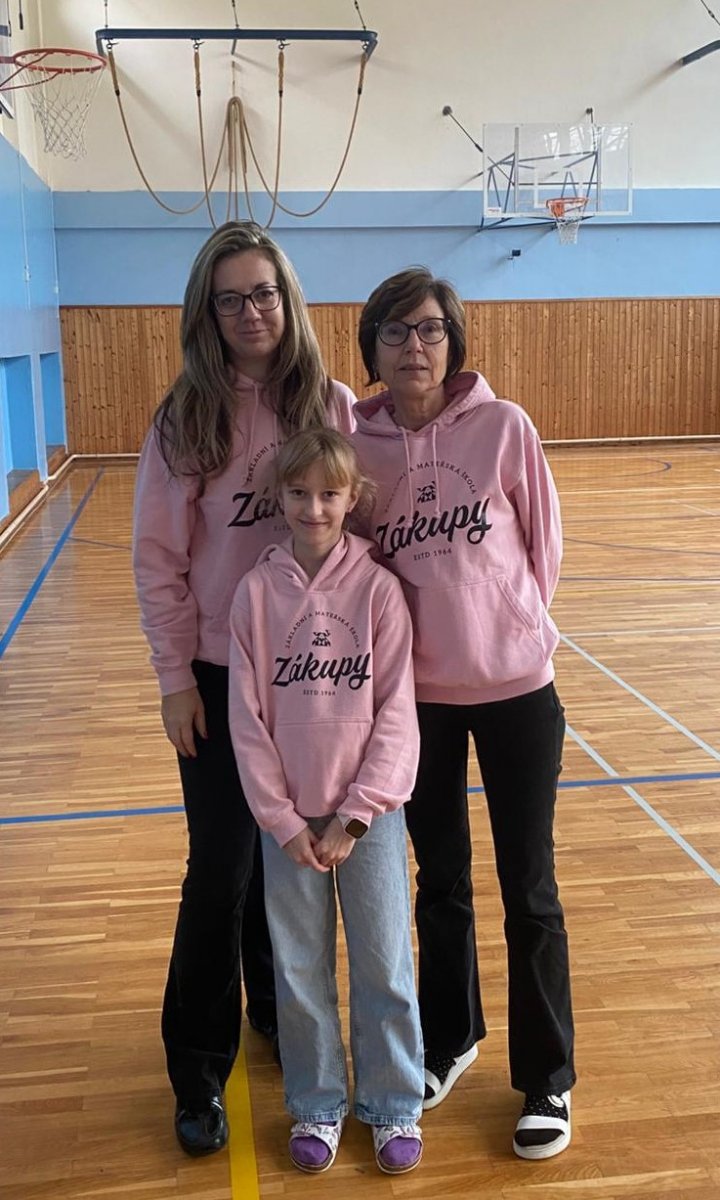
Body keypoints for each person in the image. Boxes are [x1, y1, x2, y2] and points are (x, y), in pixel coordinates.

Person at [132, 221, 356, 1156]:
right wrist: (174, 678)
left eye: (263, 292)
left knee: (289, 858)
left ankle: (273, 1005)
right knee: (220, 870)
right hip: (221, 677)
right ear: (207, 313)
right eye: (229, 299)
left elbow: (361, 524)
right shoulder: (185, 418)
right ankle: (197, 1068)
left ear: (287, 298)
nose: (250, 311)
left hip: (313, 674)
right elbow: (158, 559)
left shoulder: (331, 404)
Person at [351, 267, 575, 1160]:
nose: (415, 345)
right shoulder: (356, 448)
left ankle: (548, 1077)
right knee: (439, 881)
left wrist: (505, 625)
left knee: (530, 886)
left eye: (431, 329)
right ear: (372, 346)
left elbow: (543, 547)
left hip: (518, 691)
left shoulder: (503, 426)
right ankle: (450, 1039)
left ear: (454, 341)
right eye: (397, 330)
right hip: (420, 703)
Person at [227, 428, 425, 1175]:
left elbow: (397, 711)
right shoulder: (255, 594)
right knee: (299, 968)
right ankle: (316, 1103)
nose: (314, 508)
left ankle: (393, 1103)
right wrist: (280, 819)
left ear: (353, 499)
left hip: (367, 819)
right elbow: (247, 721)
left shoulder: (379, 591)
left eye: (329, 494)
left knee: (384, 961)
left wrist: (357, 813)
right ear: (277, 497)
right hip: (289, 825)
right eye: (299, 493)